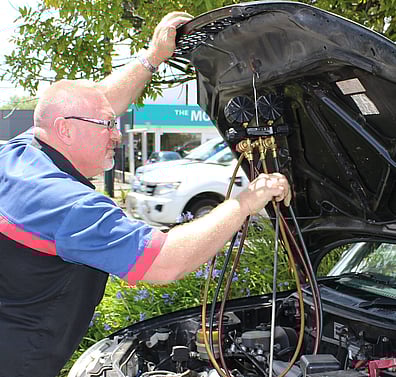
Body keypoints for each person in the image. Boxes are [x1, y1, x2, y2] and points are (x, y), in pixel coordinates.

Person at [0, 12, 291, 377]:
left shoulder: (18, 153)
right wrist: (245, 201)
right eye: (107, 125)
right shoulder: (70, 205)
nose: (117, 134)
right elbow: (165, 261)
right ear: (65, 130)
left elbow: (96, 101)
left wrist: (152, 56)